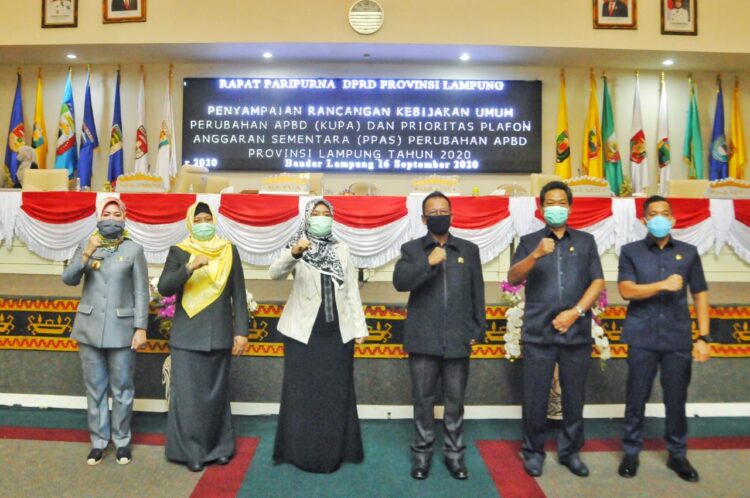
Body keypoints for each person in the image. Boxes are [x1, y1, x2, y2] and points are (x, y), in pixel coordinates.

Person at [507, 181, 604, 478]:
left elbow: (597, 282)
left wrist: (575, 313)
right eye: (550, 202)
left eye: (562, 202)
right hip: (538, 332)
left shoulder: (586, 241)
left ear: (570, 207)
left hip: (576, 331)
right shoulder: (529, 241)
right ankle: (533, 451)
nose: (556, 208)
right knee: (535, 396)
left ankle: (570, 451)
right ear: (541, 208)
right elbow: (513, 278)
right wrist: (536, 254)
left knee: (574, 397)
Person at [270, 198, 368, 473]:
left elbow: (351, 290)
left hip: (337, 334)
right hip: (302, 335)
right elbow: (275, 273)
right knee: (303, 394)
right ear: (307, 217)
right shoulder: (297, 245)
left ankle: (335, 452)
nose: (322, 218)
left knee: (335, 394)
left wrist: (359, 327)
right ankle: (301, 452)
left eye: (326, 214)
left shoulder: (341, 249)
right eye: (316, 213)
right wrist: (295, 253)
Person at [393, 191, 486, 481]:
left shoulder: (468, 250)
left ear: (451, 214)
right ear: (423, 219)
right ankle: (422, 456)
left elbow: (477, 292)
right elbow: (400, 282)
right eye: (432, 212)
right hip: (423, 338)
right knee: (423, 400)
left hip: (458, 337)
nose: (439, 216)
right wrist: (428, 262)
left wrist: (478, 329)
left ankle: (454, 456)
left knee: (455, 401)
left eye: (443, 211)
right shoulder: (412, 249)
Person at [617, 195, 710, 482]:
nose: (659, 217)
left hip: (677, 337)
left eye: (664, 213)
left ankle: (677, 454)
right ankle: (631, 452)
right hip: (641, 336)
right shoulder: (630, 251)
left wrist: (704, 337)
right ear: (644, 220)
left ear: (672, 219)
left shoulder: (689, 253)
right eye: (653, 213)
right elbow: (626, 290)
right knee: (636, 397)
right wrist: (662, 285)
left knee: (676, 398)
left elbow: (700, 294)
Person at [158, 202, 248, 472]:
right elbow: (164, 288)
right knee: (189, 397)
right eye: (198, 220)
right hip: (187, 336)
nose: (204, 224)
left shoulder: (228, 250)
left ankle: (219, 448)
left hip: (219, 333)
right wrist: (188, 267)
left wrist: (241, 332)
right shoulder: (179, 251)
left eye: (208, 218)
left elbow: (239, 293)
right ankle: (192, 451)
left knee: (216, 395)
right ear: (190, 223)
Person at [62, 197, 148, 466]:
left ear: (124, 218)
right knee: (95, 389)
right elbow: (69, 279)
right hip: (89, 329)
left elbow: (141, 292)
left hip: (122, 330)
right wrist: (87, 252)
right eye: (106, 213)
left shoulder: (134, 249)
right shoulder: (86, 244)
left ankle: (121, 441)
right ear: (99, 217)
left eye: (116, 214)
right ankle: (98, 442)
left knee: (122, 389)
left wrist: (141, 327)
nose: (111, 218)